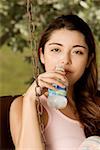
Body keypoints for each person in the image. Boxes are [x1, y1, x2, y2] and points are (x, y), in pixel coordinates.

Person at [9, 14, 100, 150]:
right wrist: (30, 99)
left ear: (88, 60)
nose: (65, 60)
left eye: (77, 52)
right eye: (56, 49)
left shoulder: (96, 105)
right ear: (42, 55)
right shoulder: (24, 105)